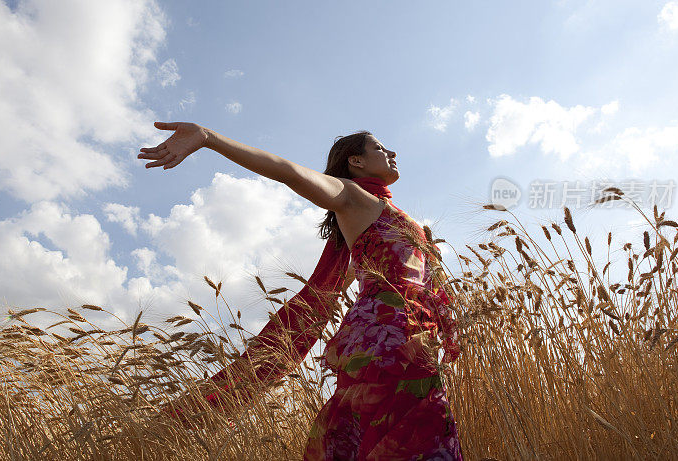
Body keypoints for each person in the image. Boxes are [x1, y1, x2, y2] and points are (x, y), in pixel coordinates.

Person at [138, 122, 462, 461]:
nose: (392, 153)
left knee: (410, 434)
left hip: (411, 336)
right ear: (357, 162)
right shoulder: (353, 198)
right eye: (380, 148)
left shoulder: (391, 215)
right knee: (415, 435)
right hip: (386, 337)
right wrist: (209, 138)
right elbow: (288, 172)